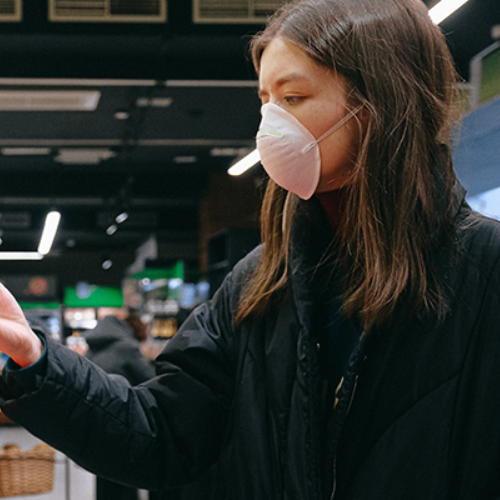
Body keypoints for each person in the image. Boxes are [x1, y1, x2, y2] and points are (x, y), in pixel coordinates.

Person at [0, 0, 500, 498]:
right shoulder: (260, 283)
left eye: (294, 96)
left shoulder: (486, 271)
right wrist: (38, 360)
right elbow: (163, 435)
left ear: (379, 104)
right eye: (266, 101)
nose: (270, 125)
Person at [82, 310, 155, 500]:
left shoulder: (94, 347)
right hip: (121, 422)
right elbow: (150, 379)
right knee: (125, 480)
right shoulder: (126, 347)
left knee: (106, 478)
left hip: (96, 422)